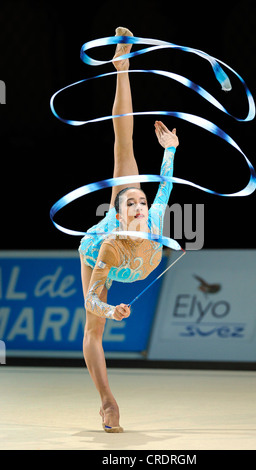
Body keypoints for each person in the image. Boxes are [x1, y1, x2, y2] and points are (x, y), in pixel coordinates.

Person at [79, 27, 179, 432]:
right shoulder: (106, 248)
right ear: (120, 214)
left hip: (136, 252)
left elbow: (166, 184)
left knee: (127, 146)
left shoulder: (152, 220)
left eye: (141, 200)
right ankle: (107, 403)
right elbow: (91, 299)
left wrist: (170, 149)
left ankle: (123, 66)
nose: (141, 205)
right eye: (132, 203)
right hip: (102, 251)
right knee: (93, 327)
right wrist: (110, 310)